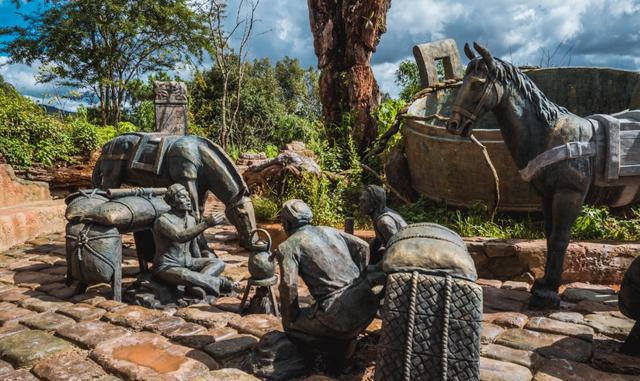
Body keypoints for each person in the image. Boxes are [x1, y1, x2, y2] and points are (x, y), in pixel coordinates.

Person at [276, 199, 381, 363]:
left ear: (287, 224)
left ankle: (331, 357)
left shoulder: (288, 246)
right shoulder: (330, 230)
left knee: (293, 327)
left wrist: (290, 319)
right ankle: (345, 346)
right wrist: (360, 279)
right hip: (368, 305)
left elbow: (288, 285)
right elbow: (363, 247)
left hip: (341, 318)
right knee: (316, 312)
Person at [152, 183, 233, 296]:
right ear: (172, 202)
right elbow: (180, 237)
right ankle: (219, 282)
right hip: (167, 267)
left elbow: (193, 245)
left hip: (189, 263)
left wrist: (201, 265)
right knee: (185, 274)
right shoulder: (163, 221)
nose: (188, 200)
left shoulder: (191, 220)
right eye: (183, 197)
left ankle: (195, 285)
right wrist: (206, 224)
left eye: (188, 196)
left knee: (218, 263)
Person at [359, 184, 407, 264]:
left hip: (404, 256)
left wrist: (378, 266)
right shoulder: (379, 216)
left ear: (374, 204)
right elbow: (378, 240)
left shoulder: (384, 222)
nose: (360, 204)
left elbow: (397, 249)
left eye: (364, 201)